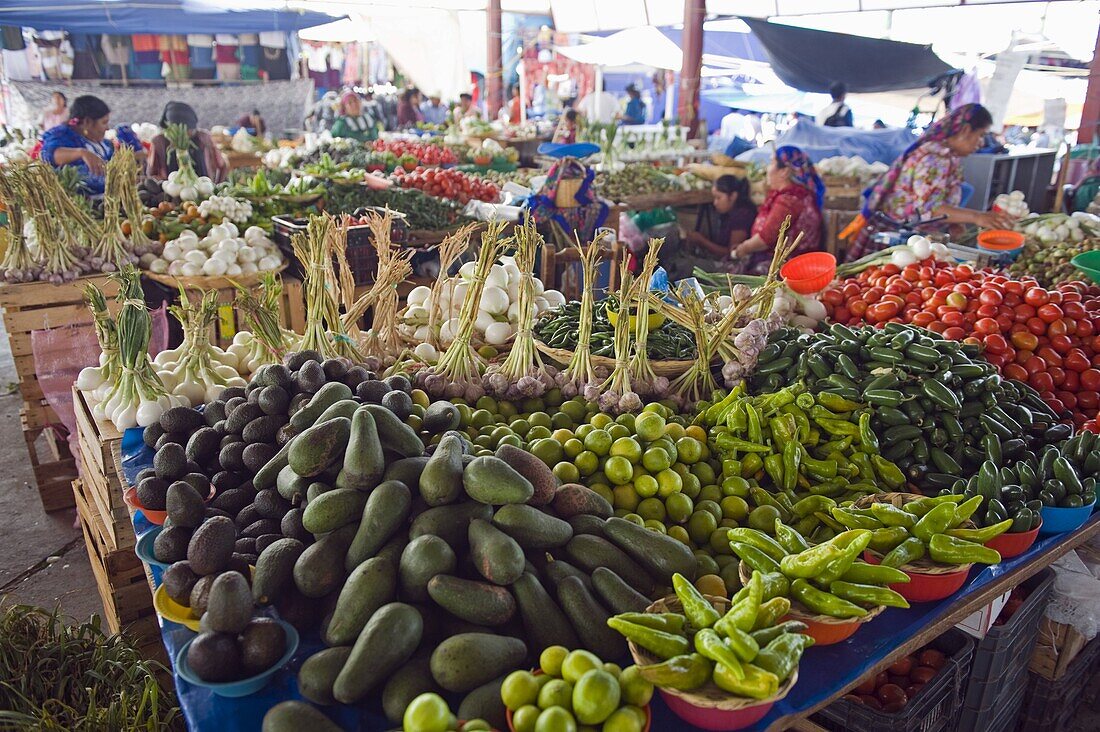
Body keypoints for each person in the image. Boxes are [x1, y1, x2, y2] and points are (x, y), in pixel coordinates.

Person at [844, 103, 1014, 261]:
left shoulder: (946, 155)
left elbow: (937, 200)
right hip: (898, 241)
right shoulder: (935, 159)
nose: (982, 142)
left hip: (911, 239)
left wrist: (957, 222)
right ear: (966, 130)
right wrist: (976, 217)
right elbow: (928, 209)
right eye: (981, 135)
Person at [730, 146, 824, 275]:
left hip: (787, 267)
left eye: (772, 163)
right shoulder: (794, 196)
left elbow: (766, 239)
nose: (767, 169)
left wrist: (743, 248)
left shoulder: (790, 200)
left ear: (784, 171)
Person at [40, 94, 144, 195]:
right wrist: (81, 153)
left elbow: (109, 169)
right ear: (87, 122)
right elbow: (49, 155)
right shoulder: (63, 135)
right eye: (104, 122)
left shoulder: (102, 144)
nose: (107, 128)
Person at [147, 101, 228, 183]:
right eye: (182, 131)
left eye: (190, 130)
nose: (186, 135)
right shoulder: (158, 142)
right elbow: (151, 173)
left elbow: (223, 165)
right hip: (170, 190)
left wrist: (217, 185)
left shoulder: (204, 138)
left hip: (204, 189)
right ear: (172, 129)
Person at [685, 175, 758, 263]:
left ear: (733, 196)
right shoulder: (729, 212)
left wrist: (702, 241)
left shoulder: (742, 215)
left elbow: (732, 254)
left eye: (718, 198)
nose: (715, 203)